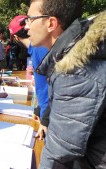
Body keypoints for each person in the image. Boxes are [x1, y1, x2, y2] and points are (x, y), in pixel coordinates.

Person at [26, 0, 106, 168]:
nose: (26, 26)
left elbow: (60, 152)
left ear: (51, 23)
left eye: (30, 19)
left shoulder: (74, 70)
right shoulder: (68, 56)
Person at [8, 15, 49, 132]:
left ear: (15, 37)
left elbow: (49, 88)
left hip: (48, 117)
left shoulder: (38, 48)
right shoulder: (38, 47)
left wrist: (44, 118)